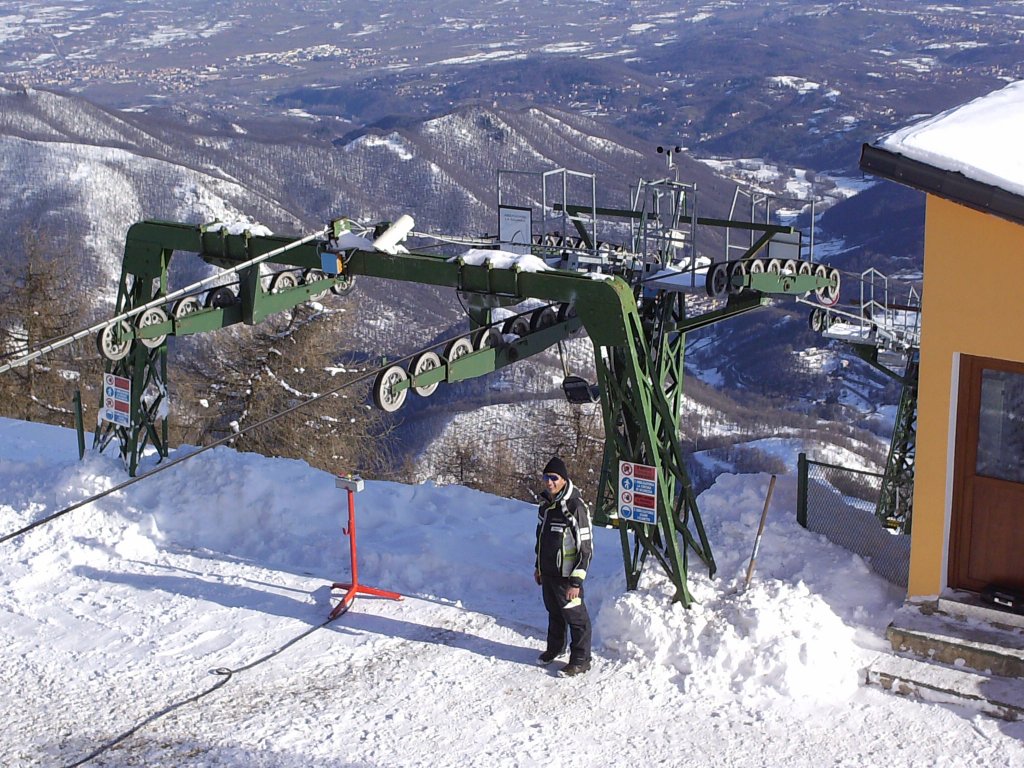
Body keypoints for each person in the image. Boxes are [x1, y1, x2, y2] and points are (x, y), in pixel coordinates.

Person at [534, 456, 593, 676]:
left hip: (567, 576)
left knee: (576, 619)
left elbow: (586, 547)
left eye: (554, 478)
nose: (549, 482)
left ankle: (581, 659)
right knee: (554, 613)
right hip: (548, 573)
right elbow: (540, 539)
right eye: (546, 477)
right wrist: (538, 567)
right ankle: (555, 648)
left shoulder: (575, 507)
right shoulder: (546, 506)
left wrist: (576, 580)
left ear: (564, 480)